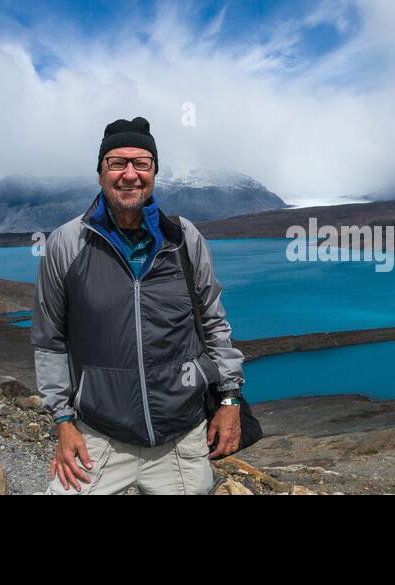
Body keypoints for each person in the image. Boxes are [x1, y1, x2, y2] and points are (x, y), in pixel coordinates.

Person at [32, 116, 245, 495]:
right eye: (117, 163)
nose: (130, 174)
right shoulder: (67, 243)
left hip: (181, 441)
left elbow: (213, 322)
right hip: (100, 437)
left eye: (141, 164)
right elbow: (49, 339)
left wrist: (229, 399)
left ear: (153, 173)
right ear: (100, 173)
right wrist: (64, 422)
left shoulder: (183, 239)